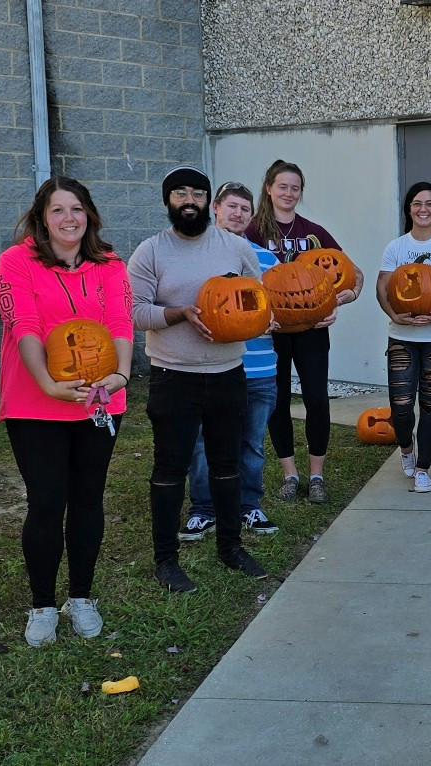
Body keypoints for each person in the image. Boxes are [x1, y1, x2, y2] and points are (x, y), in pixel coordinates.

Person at [0, 177, 134, 647]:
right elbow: (23, 326)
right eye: (58, 210)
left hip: (100, 399)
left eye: (77, 208)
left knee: (89, 499)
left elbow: (119, 321)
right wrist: (49, 384)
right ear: (42, 217)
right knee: (48, 502)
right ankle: (43, 604)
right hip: (37, 402)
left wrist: (122, 376)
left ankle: (82, 596)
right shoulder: (17, 262)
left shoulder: (110, 264)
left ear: (89, 214)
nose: (69, 218)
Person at [128, 165, 270, 592]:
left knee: (227, 466)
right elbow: (133, 312)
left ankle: (230, 546)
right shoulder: (151, 251)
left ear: (208, 201)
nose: (189, 200)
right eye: (179, 194)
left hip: (228, 373)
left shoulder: (235, 247)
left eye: (197, 193)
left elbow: (257, 297)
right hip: (174, 376)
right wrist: (179, 314)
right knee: (170, 467)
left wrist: (260, 320)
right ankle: (166, 560)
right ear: (168, 201)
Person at [251, 159, 363, 505]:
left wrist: (344, 298)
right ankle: (290, 474)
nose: (288, 193)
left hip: (313, 328)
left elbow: (353, 272)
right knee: (278, 400)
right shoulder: (252, 231)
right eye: (282, 186)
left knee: (316, 398)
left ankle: (316, 474)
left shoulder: (312, 233)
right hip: (273, 332)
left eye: (295, 188)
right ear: (269, 188)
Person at [180, 181, 281, 541]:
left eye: (244, 209)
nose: (237, 214)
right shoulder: (197, 257)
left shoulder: (266, 260)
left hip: (259, 367)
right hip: (212, 366)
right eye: (231, 207)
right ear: (215, 209)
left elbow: (286, 305)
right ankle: (204, 509)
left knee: (252, 442)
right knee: (203, 442)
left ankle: (248, 504)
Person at [375, 182, 431, 492]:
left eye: (429, 204)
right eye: (417, 204)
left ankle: (423, 468)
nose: (423, 209)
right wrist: (393, 314)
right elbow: (382, 287)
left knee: (430, 404)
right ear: (409, 209)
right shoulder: (396, 247)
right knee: (401, 406)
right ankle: (406, 448)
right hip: (402, 335)